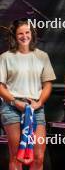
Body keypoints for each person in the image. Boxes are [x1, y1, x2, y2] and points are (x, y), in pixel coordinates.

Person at [0, 18, 56, 170]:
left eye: (27, 32)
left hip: (35, 108)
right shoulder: (5, 57)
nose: (24, 36)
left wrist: (39, 103)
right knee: (17, 156)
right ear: (14, 36)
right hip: (12, 108)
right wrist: (14, 102)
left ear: (32, 34)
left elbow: (47, 84)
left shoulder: (42, 56)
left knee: (38, 157)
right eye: (20, 33)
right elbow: (0, 86)